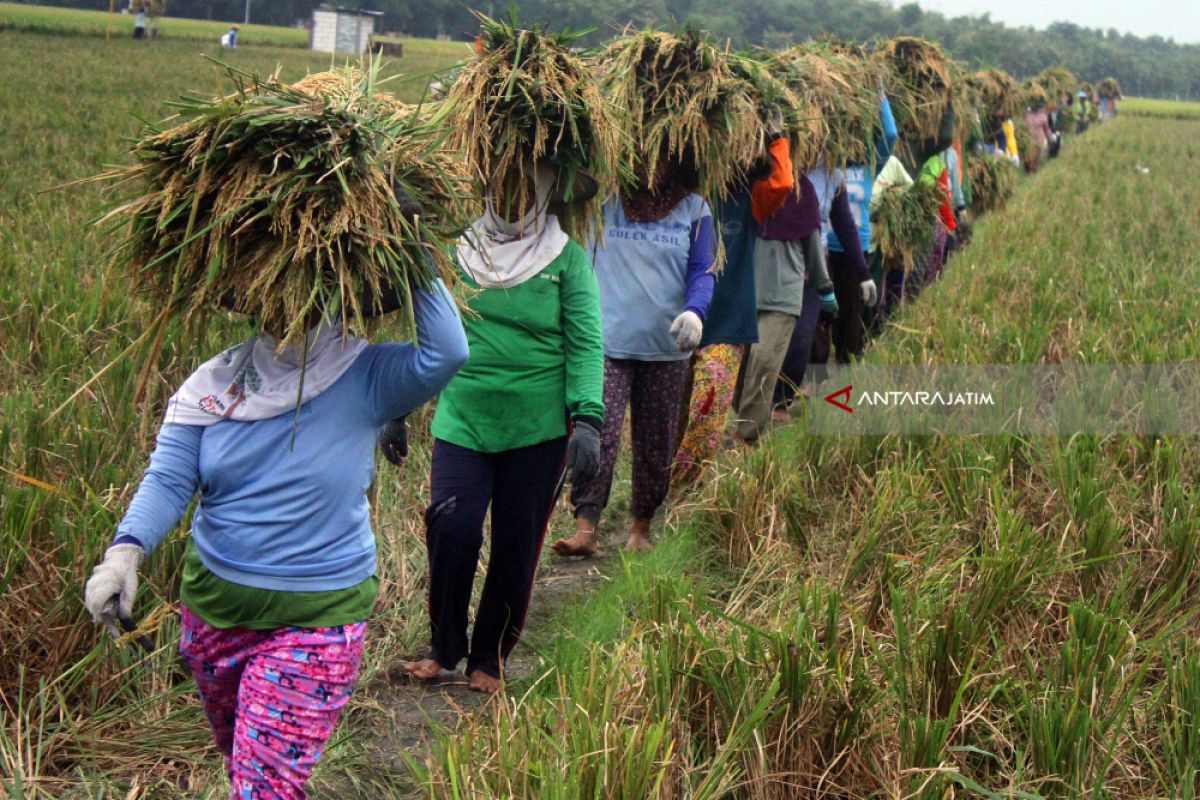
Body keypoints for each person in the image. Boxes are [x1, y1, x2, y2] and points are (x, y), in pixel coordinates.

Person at [82, 205, 469, 797]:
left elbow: (446, 353)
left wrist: (412, 239)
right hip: (214, 615)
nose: (289, 311)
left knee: (263, 787)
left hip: (319, 618)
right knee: (245, 764)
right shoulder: (214, 385)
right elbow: (168, 478)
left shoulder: (364, 374)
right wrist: (124, 554)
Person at [400, 161, 604, 694]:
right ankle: (445, 645)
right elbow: (425, 332)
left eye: (524, 190)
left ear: (542, 196)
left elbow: (585, 343)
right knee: (453, 525)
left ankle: (489, 654)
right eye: (502, 188)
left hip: (537, 429)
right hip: (463, 417)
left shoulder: (566, 259)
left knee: (517, 541)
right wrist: (394, 405)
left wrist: (587, 417)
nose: (512, 200)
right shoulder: (458, 252)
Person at [554, 149, 716, 555]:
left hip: (667, 346)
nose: (649, 166)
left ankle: (640, 527)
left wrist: (695, 312)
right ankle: (586, 528)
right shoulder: (604, 201)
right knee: (598, 435)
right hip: (605, 343)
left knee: (655, 443)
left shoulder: (694, 208)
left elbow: (703, 269)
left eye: (659, 157)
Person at [673, 110, 793, 484]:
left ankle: (685, 489)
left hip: (727, 321)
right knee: (677, 412)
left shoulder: (748, 196)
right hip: (677, 317)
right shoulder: (684, 196)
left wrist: (776, 138)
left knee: (708, 411)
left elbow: (784, 183)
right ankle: (668, 479)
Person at [734, 168, 837, 440]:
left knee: (763, 360)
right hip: (747, 290)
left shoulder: (803, 192)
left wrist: (824, 288)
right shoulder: (747, 184)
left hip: (784, 295)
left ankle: (747, 435)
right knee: (743, 367)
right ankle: (743, 418)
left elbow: (814, 246)